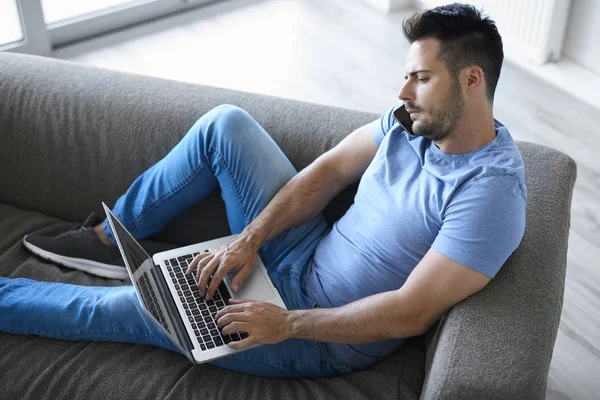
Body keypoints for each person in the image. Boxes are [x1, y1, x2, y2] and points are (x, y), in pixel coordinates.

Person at [0, 3, 526, 379]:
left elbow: (411, 311)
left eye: (421, 78)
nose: (403, 91)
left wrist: (285, 323)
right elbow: (325, 175)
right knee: (226, 126)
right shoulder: (406, 123)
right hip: (303, 250)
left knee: (135, 308)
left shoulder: (489, 195)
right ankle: (108, 240)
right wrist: (249, 239)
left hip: (315, 332)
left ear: (471, 79)